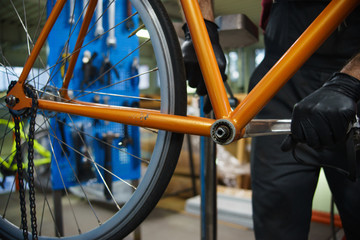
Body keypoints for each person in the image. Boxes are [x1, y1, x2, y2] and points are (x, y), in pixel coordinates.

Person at [181, 0, 360, 239]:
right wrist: (201, 29)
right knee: (276, 227)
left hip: (355, 75)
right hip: (280, 73)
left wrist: (349, 82)